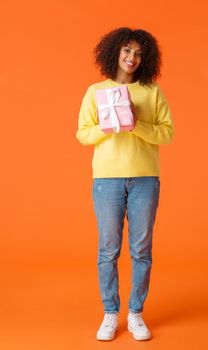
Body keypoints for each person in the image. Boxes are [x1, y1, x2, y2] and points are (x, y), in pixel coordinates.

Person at [76, 27, 175, 341]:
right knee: (108, 250)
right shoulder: (95, 91)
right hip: (106, 180)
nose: (132, 58)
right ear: (115, 53)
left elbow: (167, 134)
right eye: (127, 51)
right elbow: (82, 134)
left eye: (138, 53)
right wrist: (109, 124)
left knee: (141, 249)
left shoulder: (152, 91)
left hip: (146, 178)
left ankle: (135, 313)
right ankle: (109, 312)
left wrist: (136, 122)